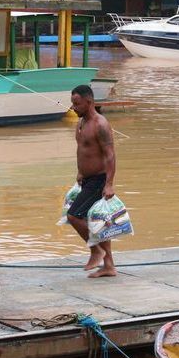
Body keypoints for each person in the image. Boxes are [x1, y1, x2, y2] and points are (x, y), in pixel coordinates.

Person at [65, 84, 118, 278]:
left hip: (99, 180)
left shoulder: (100, 124)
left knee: (74, 216)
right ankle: (109, 266)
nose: (73, 107)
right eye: (72, 103)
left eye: (77, 104)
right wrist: (80, 172)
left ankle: (96, 249)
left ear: (89, 102)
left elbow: (110, 155)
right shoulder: (81, 122)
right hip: (86, 179)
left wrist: (109, 183)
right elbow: (83, 150)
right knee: (99, 223)